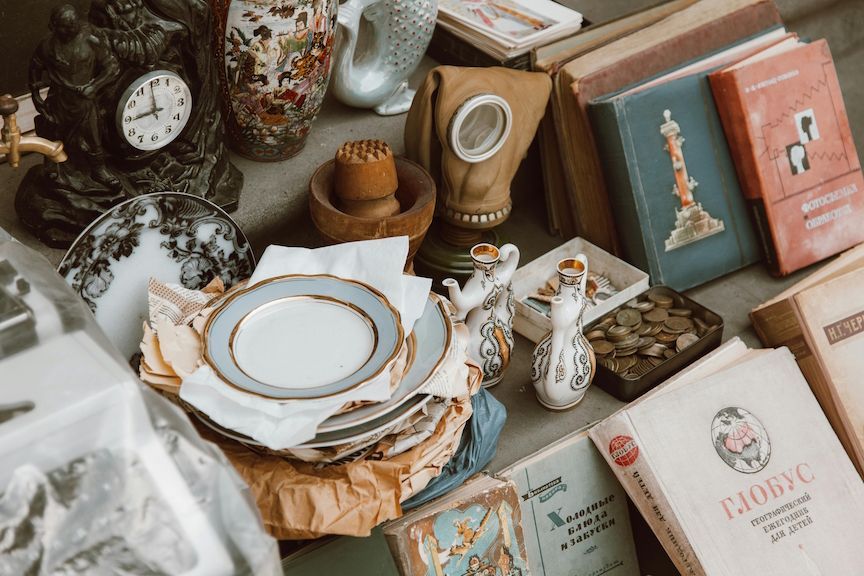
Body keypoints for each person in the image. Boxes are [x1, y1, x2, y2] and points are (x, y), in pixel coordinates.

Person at [29, 4, 120, 188]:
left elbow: (112, 67)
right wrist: (36, 96)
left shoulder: (91, 39)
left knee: (93, 137)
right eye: (65, 26)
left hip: (85, 101)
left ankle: (99, 169)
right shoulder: (47, 45)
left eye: (74, 24)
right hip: (58, 99)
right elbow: (35, 68)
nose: (71, 28)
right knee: (55, 133)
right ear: (53, 26)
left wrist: (94, 86)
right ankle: (53, 164)